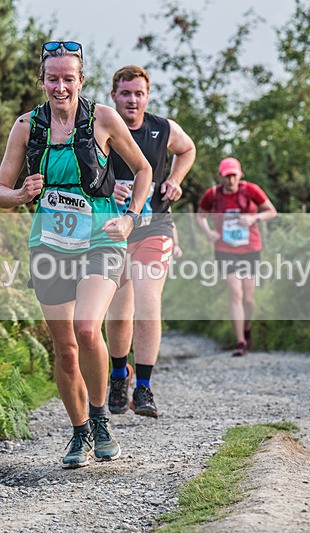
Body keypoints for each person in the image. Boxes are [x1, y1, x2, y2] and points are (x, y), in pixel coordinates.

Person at [0, 42, 152, 468]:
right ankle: (79, 432)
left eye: (68, 78)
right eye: (52, 78)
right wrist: (20, 193)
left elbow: (144, 170)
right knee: (64, 349)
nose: (60, 87)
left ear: (81, 80)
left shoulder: (102, 118)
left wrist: (131, 217)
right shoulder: (27, 126)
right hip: (49, 243)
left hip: (101, 237)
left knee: (85, 327)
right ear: (42, 81)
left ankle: (100, 418)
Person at [104, 65, 196, 418]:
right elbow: (83, 171)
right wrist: (109, 185)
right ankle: (117, 375)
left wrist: (175, 179)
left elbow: (187, 149)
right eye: (125, 93)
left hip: (155, 225)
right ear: (114, 95)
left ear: (147, 95)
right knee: (119, 309)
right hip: (112, 228)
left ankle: (143, 387)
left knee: (147, 302)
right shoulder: (102, 126)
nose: (132, 100)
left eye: (138, 93)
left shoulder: (162, 128)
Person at [196, 157, 277, 356]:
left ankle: (247, 327)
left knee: (249, 299)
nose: (230, 180)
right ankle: (240, 341)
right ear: (221, 176)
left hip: (250, 248)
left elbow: (271, 211)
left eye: (233, 175)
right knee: (235, 293)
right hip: (225, 249)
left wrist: (253, 218)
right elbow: (200, 216)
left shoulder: (251, 190)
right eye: (226, 176)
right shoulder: (213, 194)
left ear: (239, 174)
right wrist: (208, 232)